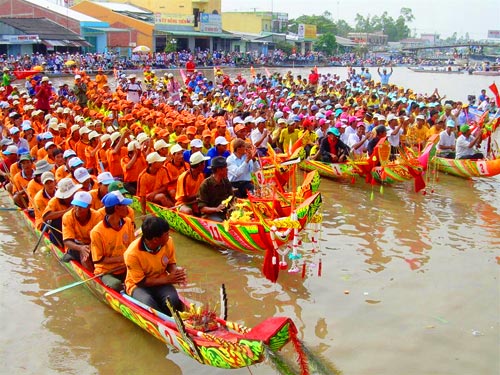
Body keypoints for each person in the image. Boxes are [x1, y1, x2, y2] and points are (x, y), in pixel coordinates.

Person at [124, 215, 186, 315]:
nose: (169, 235)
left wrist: (176, 274)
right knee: (149, 304)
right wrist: (168, 279)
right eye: (166, 234)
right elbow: (141, 282)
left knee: (173, 301)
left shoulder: (168, 241)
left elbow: (170, 263)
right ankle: (165, 320)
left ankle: (170, 317)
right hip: (137, 286)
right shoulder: (132, 254)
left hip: (160, 280)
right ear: (155, 240)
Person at [90, 191, 135, 291]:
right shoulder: (96, 232)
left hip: (125, 267)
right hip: (106, 271)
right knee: (116, 285)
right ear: (116, 208)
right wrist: (123, 258)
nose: (128, 208)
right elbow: (99, 259)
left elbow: (132, 246)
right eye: (125, 205)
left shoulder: (127, 222)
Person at [62, 191, 103, 271]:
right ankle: (92, 276)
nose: (77, 209)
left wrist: (88, 248)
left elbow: (99, 238)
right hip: (76, 244)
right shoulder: (67, 217)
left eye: (81, 207)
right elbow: (67, 241)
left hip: (93, 244)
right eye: (76, 205)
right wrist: (81, 248)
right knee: (84, 255)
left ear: (89, 206)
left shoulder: (97, 216)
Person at [197, 156, 233, 222]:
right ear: (219, 170)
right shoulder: (205, 185)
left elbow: (231, 197)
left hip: (225, 212)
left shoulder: (226, 181)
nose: (227, 170)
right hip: (211, 214)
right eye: (225, 168)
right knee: (221, 223)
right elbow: (202, 208)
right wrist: (216, 209)